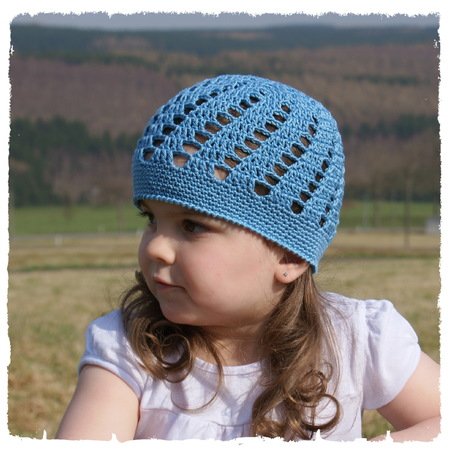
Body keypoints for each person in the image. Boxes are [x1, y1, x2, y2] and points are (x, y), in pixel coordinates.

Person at [56, 74, 440, 442]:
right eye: (151, 219)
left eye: (192, 226)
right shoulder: (131, 349)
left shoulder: (356, 340)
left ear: (288, 255)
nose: (155, 246)